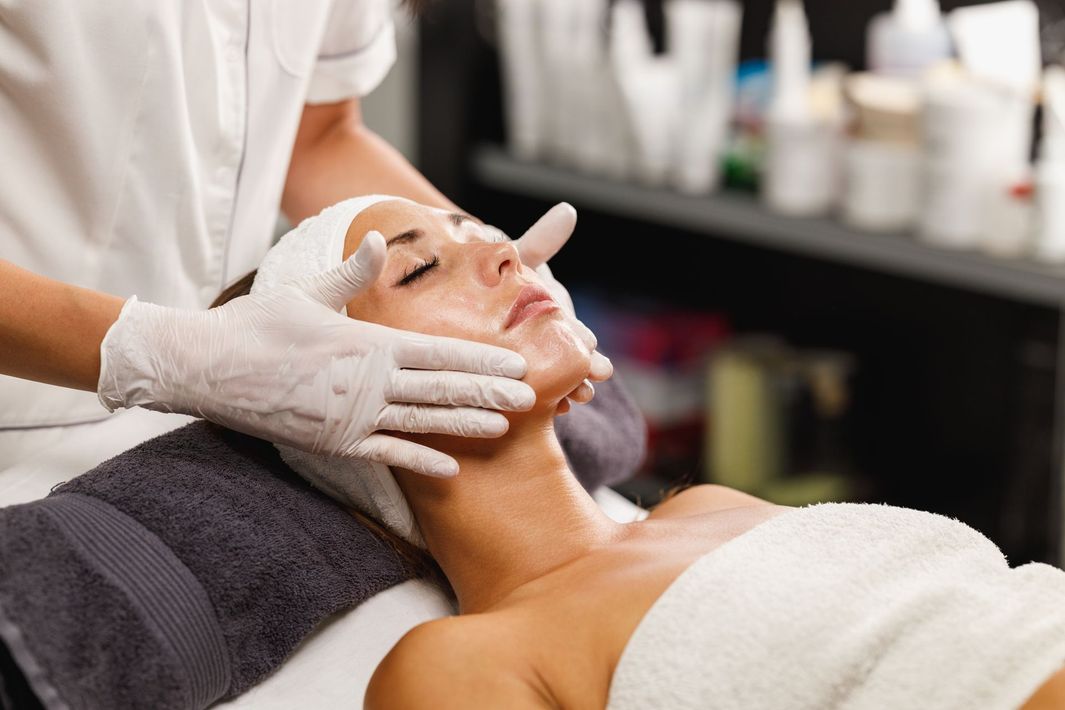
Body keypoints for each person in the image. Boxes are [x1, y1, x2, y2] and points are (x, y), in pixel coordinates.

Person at [216, 195, 1065, 710]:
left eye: (480, 231)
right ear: (337, 400)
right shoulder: (457, 665)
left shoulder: (709, 507)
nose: (507, 252)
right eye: (419, 269)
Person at [0, 0, 607, 478]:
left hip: (210, 425)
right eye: (416, 270)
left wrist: (479, 246)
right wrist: (160, 352)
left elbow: (315, 135)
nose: (501, 258)